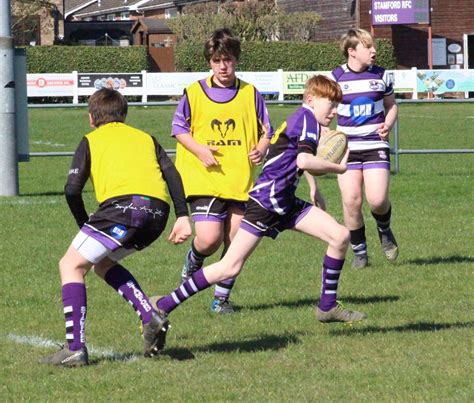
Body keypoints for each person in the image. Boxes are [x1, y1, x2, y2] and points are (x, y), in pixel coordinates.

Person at [149, 75, 367, 349]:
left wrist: (314, 188)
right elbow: (303, 158)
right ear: (311, 99)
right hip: (266, 203)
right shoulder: (308, 118)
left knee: (340, 236)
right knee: (229, 265)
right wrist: (339, 168)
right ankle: (164, 304)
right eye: (331, 105)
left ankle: (327, 306)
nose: (335, 111)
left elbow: (294, 156)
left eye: (337, 106)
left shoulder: (304, 118)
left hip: (284, 201)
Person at [41, 88, 192, 367]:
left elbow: (72, 189)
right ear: (123, 115)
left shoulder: (91, 139)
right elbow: (172, 172)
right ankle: (149, 317)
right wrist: (183, 215)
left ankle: (74, 349)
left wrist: (83, 225)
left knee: (70, 265)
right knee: (102, 264)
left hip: (121, 210)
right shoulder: (145, 137)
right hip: (157, 213)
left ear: (91, 118)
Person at [171, 28, 274, 314]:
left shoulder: (250, 93)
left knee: (237, 240)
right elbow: (178, 129)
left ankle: (221, 299)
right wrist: (200, 150)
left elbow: (268, 131)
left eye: (227, 59)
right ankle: (194, 259)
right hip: (203, 178)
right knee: (208, 238)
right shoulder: (194, 92)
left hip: (239, 180)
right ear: (209, 62)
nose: (223, 66)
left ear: (236, 60)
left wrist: (262, 147)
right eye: (217, 60)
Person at [331, 28, 399, 269]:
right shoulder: (335, 77)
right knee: (351, 201)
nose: (374, 51)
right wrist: (324, 135)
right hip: (347, 149)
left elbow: (391, 106)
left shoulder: (382, 75)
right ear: (352, 51)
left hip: (374, 145)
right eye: (367, 46)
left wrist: (388, 124)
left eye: (373, 46)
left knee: (378, 199)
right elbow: (325, 112)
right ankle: (360, 253)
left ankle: (384, 229)